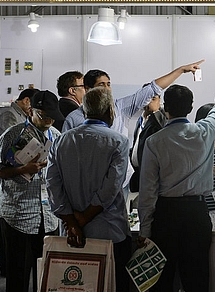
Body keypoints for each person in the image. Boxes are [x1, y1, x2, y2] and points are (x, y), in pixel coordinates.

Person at [138, 58, 215, 292]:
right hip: (196, 214)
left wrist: (145, 229)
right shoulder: (205, 130)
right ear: (191, 108)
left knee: (160, 282)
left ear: (166, 109)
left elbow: (148, 191)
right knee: (196, 279)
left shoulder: (154, 142)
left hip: (165, 216)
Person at [62, 60, 204, 198]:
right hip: (88, 183)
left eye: (108, 84)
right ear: (88, 89)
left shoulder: (121, 108)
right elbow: (66, 154)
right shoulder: (74, 119)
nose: (106, 88)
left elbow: (152, 88)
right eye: (101, 85)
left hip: (119, 182)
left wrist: (180, 70)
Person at [46, 87, 132, 292]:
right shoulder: (118, 141)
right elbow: (111, 188)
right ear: (110, 111)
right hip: (110, 232)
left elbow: (53, 185)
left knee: (77, 291)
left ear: (84, 111)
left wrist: (72, 222)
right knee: (113, 291)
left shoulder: (61, 141)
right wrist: (84, 217)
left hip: (73, 234)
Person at [0, 90, 62, 292]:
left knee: (46, 276)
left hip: (48, 215)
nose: (48, 121)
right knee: (17, 278)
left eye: (51, 117)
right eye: (43, 116)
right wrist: (23, 169)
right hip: (18, 215)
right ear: (32, 111)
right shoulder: (13, 134)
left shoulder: (56, 136)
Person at [0, 87, 38, 276]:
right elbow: (10, 151)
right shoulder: (9, 117)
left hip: (28, 182)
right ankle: (5, 267)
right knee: (6, 226)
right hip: (11, 177)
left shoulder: (24, 118)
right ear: (27, 101)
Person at [129, 87, 166, 193]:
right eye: (146, 98)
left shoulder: (162, 118)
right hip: (138, 174)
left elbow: (163, 129)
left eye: (153, 99)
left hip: (153, 177)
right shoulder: (140, 119)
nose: (149, 102)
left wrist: (156, 111)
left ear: (159, 100)